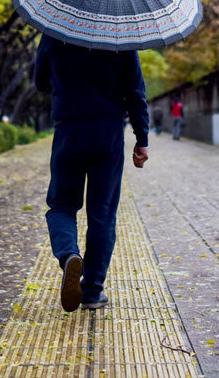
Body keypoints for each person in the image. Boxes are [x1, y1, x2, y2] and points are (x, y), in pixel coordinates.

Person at [34, 34, 149, 312]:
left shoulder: (55, 31)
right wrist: (142, 137)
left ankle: (69, 255)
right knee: (103, 213)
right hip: (108, 133)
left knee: (61, 205)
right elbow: (135, 92)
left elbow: (40, 82)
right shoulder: (120, 34)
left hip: (68, 130)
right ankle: (92, 291)